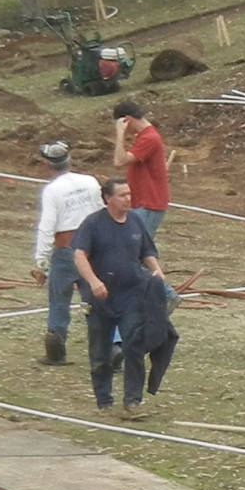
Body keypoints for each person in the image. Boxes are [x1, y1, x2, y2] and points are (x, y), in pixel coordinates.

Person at [70, 178, 175, 417]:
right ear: (108, 198)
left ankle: (132, 401)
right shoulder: (93, 224)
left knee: (134, 346)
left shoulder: (136, 221)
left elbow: (147, 251)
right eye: (122, 195)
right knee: (100, 351)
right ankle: (104, 400)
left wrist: (156, 270)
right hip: (100, 299)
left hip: (132, 295)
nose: (128, 198)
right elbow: (79, 256)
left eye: (129, 193)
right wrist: (94, 282)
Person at [31, 142, 105, 366]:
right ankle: (111, 349)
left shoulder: (52, 190)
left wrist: (42, 264)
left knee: (59, 301)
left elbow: (47, 228)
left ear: (46, 164)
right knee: (99, 299)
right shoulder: (90, 181)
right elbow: (103, 211)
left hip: (66, 250)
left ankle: (56, 348)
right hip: (93, 249)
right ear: (69, 159)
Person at [110, 99, 170, 237]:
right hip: (143, 203)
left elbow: (119, 161)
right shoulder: (145, 136)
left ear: (127, 120)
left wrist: (120, 134)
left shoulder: (149, 138)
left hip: (148, 203)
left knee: (137, 250)